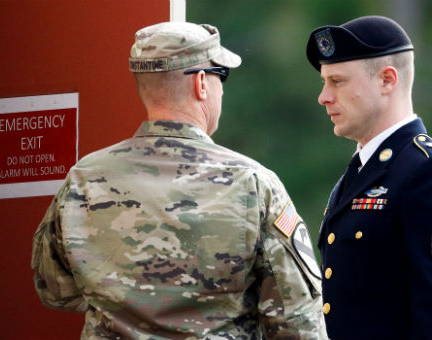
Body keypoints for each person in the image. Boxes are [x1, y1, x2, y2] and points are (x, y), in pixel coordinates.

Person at [31, 21, 327, 340]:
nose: (222, 89)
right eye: (220, 76)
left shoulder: (83, 179)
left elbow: (54, 289)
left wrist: (127, 302)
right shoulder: (253, 183)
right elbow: (297, 322)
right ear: (201, 83)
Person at [305, 15, 432, 340]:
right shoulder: (362, 171)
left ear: (387, 80)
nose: (324, 96)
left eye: (338, 81)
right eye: (324, 82)